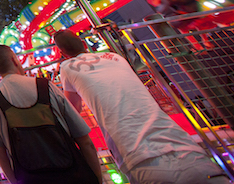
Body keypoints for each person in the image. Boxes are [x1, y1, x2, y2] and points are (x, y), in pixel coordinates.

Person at [54, 29, 229, 184]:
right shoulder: (115, 57)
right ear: (84, 43)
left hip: (139, 158)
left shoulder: (67, 67)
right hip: (185, 148)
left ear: (63, 53)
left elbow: (73, 108)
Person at [0, 45, 101, 184]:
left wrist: (15, 181)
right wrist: (97, 178)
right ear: (14, 60)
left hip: (31, 178)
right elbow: (85, 141)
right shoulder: (45, 86)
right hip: (71, 173)